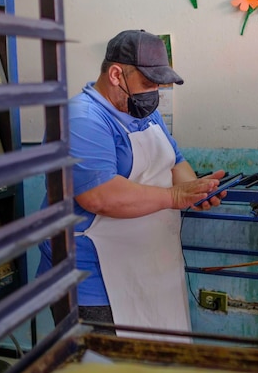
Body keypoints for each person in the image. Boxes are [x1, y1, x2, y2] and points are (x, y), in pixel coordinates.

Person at [37, 29, 226, 339]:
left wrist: (196, 191)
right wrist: (175, 196)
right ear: (116, 74)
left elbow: (175, 162)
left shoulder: (144, 113)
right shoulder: (81, 119)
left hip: (149, 267)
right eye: (148, 84)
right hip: (94, 282)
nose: (153, 93)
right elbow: (100, 196)